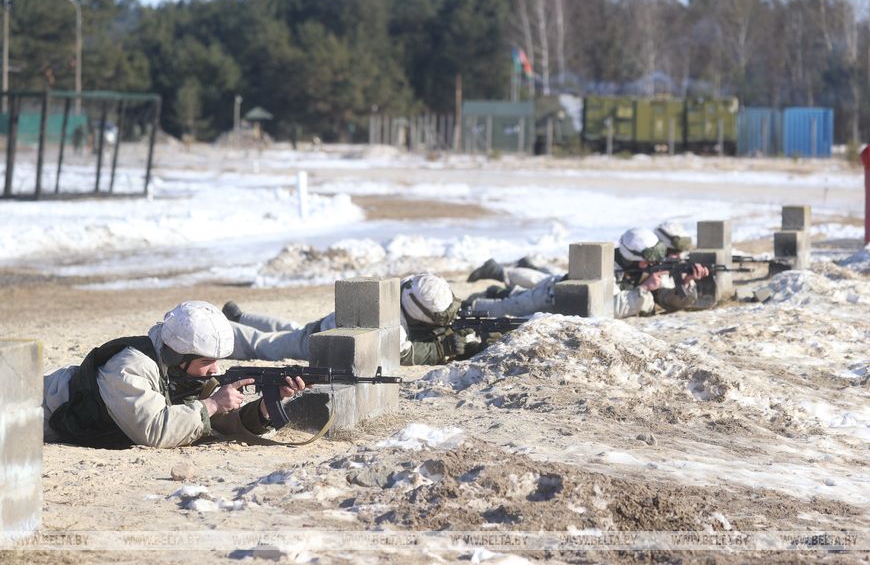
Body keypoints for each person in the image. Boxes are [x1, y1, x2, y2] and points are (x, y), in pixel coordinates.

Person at [43, 301, 306, 449]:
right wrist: (212, 404)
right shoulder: (128, 367)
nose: (214, 370)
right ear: (177, 357)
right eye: (207, 362)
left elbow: (218, 423)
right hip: (29, 406)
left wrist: (263, 410)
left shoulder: (185, 374)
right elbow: (155, 431)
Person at [226, 273, 477, 366]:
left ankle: (241, 317)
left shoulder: (408, 288)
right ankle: (225, 332)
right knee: (267, 345)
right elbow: (401, 354)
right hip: (324, 339)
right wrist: (440, 349)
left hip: (330, 326)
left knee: (292, 331)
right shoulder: (395, 324)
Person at [465, 228, 709, 319]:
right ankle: (468, 305)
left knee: (512, 299)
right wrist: (644, 290)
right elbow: (607, 309)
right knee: (504, 310)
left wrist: (685, 283)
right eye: (648, 261)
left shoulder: (641, 267)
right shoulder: (608, 269)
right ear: (636, 259)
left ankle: (495, 289)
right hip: (552, 294)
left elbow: (667, 300)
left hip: (564, 301)